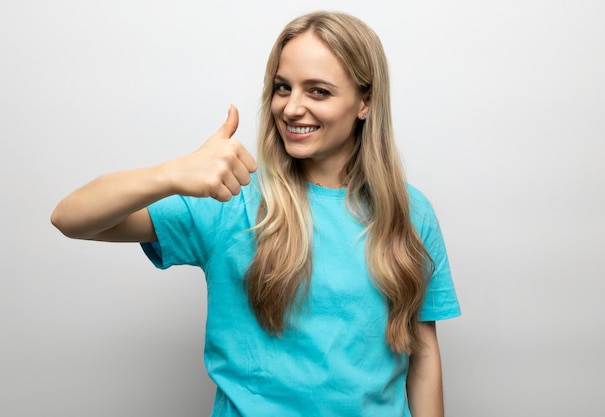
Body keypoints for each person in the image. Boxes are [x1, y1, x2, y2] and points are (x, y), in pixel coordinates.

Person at [51, 11, 460, 417]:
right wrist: (171, 174)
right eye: (283, 88)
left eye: (318, 91)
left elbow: (422, 358)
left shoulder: (410, 213)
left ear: (365, 102)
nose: (292, 108)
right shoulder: (231, 199)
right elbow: (71, 218)